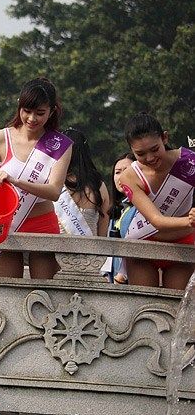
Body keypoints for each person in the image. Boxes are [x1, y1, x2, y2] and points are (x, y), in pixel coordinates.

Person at [0, 78, 73, 279]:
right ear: (19, 105)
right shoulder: (0, 138)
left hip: (42, 224)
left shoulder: (60, 145)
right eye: (27, 110)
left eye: (40, 113)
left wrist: (16, 181)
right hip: (6, 224)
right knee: (6, 295)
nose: (32, 118)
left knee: (44, 295)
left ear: (52, 111)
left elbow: (54, 191)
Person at [117, 113, 195, 289]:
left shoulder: (190, 162)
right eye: (140, 153)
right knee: (144, 307)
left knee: (176, 307)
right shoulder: (129, 177)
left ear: (164, 138)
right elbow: (156, 220)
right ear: (131, 150)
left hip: (182, 245)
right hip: (144, 245)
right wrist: (190, 221)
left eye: (154, 149)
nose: (150, 158)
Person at [55, 128, 111, 237]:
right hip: (90, 251)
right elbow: (102, 234)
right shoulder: (99, 186)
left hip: (57, 251)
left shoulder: (53, 182)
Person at [106, 153, 136, 283]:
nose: (122, 176)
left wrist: (122, 275)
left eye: (127, 170)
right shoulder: (117, 210)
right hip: (113, 278)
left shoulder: (145, 207)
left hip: (133, 277)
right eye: (117, 172)